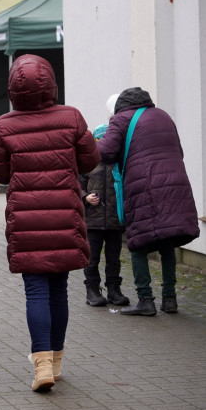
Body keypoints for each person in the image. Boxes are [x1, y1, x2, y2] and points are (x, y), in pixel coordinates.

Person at [0, 55, 100, 392]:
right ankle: (57, 361)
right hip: (64, 214)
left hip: (26, 217)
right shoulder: (71, 117)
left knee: (35, 290)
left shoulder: (4, 125)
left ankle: (42, 366)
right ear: (51, 84)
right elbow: (90, 161)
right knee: (58, 289)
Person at [97, 87, 199, 316]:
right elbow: (179, 150)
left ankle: (145, 300)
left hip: (144, 185)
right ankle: (170, 299)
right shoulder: (163, 115)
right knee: (167, 242)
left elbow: (105, 152)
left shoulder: (121, 119)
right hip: (175, 183)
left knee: (138, 242)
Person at [79, 123, 130, 307]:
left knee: (113, 258)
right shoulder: (88, 163)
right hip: (93, 221)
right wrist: (85, 197)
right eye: (98, 141)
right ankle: (92, 290)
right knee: (92, 258)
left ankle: (114, 290)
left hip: (115, 221)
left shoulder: (120, 163)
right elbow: (77, 186)